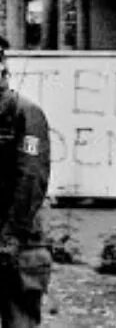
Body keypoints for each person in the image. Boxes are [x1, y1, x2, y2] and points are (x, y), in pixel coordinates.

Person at [0, 35, 52, 328]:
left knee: (19, 320)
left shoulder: (24, 113)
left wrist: (9, 238)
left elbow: (31, 179)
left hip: (19, 243)